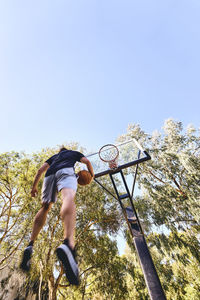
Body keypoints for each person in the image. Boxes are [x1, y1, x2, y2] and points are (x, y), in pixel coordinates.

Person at [20, 147, 94, 285]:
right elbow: (87, 161)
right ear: (67, 150)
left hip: (49, 175)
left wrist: (34, 187)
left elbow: (40, 170)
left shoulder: (54, 157)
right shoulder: (73, 153)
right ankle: (68, 244)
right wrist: (92, 174)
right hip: (66, 171)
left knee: (45, 207)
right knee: (68, 197)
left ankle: (30, 245)